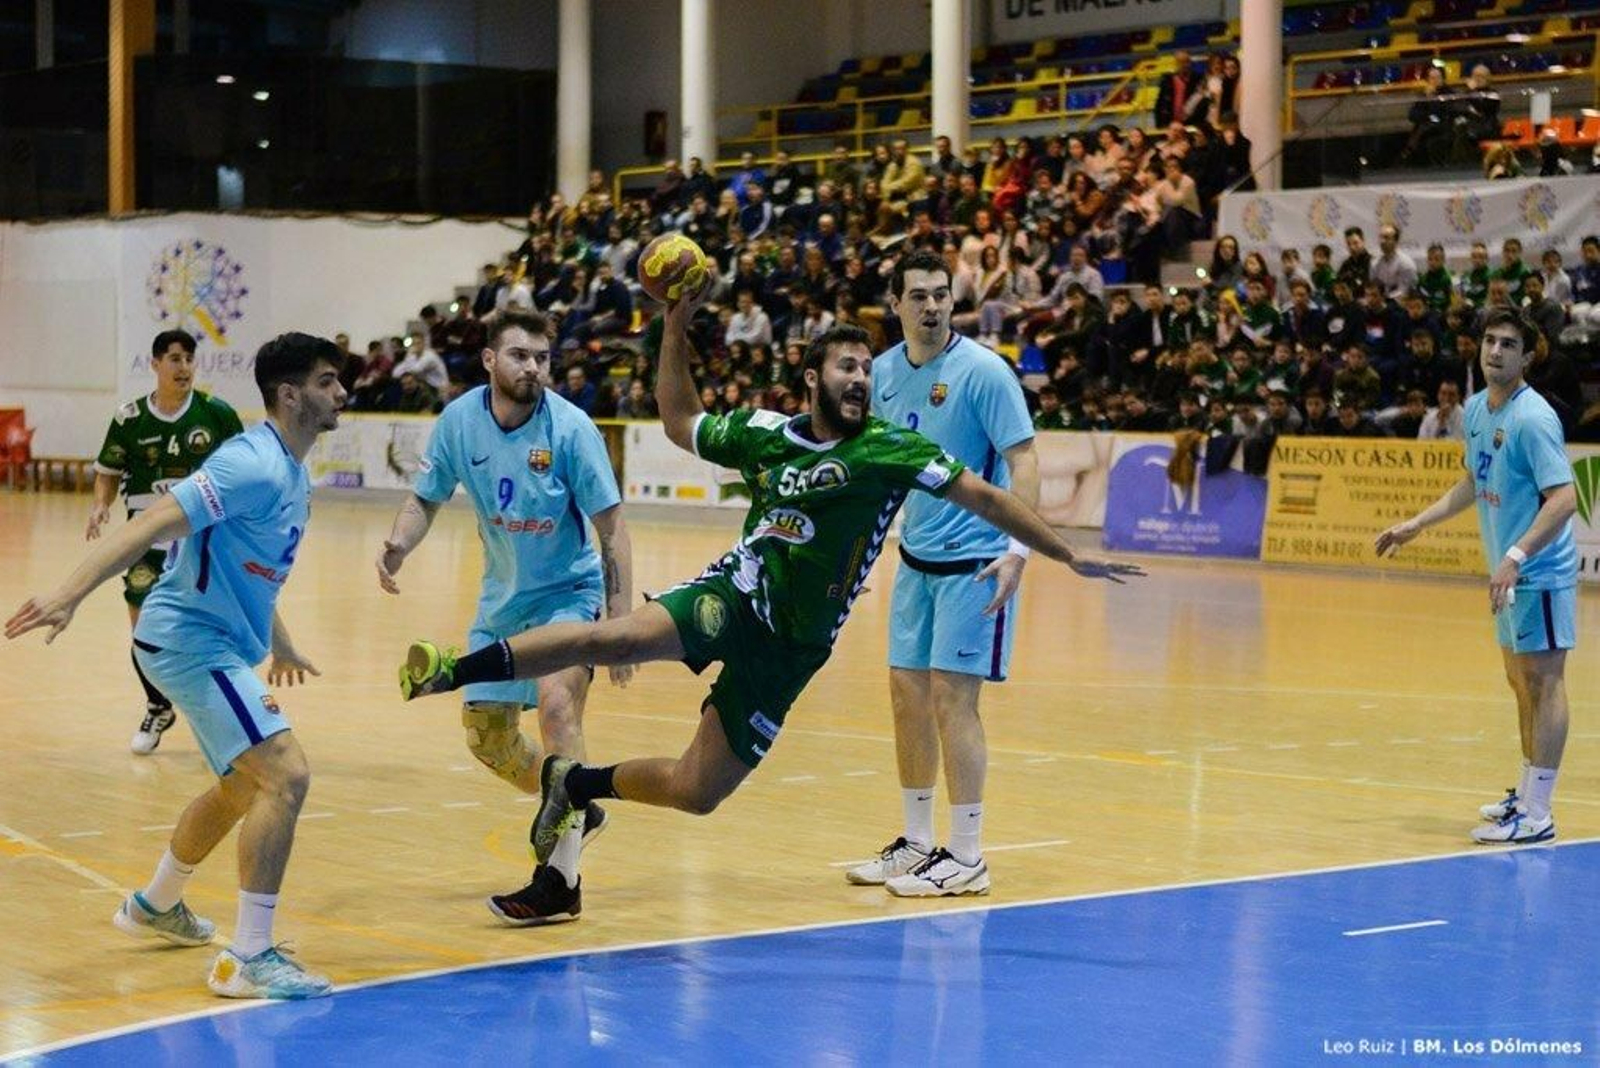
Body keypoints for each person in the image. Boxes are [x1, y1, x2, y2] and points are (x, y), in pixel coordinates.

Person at [397, 305, 1141, 895]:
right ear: (811, 377)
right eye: (847, 367)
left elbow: (984, 493)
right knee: (614, 636)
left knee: (696, 791)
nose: (862, 380)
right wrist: (675, 328)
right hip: (734, 594)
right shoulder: (762, 433)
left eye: (867, 372)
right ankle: (451, 670)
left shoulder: (891, 451)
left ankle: (575, 785)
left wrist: (1058, 550)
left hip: (791, 650)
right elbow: (680, 420)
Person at [7, 333, 347, 999]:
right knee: (287, 775)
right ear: (289, 394)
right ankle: (249, 957)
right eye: (328, 380)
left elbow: (252, 572)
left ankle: (156, 904)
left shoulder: (292, 472)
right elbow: (151, 523)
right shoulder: (250, 462)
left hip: (201, 639)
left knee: (242, 787)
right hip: (190, 641)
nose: (342, 393)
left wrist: (278, 641)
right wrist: (69, 593)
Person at [375, 312, 633, 925]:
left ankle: (561, 881)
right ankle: (579, 801)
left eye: (542, 357)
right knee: (488, 739)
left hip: (569, 595)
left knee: (556, 710)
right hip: (502, 601)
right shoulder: (461, 422)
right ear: (490, 360)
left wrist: (619, 624)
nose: (534, 368)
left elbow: (613, 529)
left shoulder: (571, 430)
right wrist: (397, 544)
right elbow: (425, 497)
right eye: (519, 355)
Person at [847, 249, 1043, 897]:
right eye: (918, 296)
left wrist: (1019, 552)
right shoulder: (879, 376)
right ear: (896, 305)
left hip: (976, 565)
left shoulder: (985, 373)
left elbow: (1024, 460)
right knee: (907, 698)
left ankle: (966, 854)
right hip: (916, 562)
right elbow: (874, 474)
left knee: (952, 700)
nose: (931, 306)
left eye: (940, 295)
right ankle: (916, 841)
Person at [1375, 311, 1577, 845]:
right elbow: (1474, 479)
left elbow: (1564, 497)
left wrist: (1515, 555)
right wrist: (1417, 524)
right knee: (1520, 684)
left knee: (1545, 682)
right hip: (1507, 575)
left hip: (1538, 572)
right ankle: (1526, 791)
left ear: (1527, 357)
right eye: (1489, 340)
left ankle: (1539, 812)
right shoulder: (1474, 410)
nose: (1495, 351)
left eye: (1509, 344)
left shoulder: (1534, 419)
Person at [89, 330, 244, 754]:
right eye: (174, 359)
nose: (184, 367)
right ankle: (158, 706)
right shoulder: (130, 419)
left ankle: (216, 713)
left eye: (190, 358)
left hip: (205, 544)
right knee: (143, 632)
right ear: (155, 364)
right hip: (146, 542)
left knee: (212, 631)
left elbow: (243, 473)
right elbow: (107, 470)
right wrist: (100, 505)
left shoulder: (217, 414)